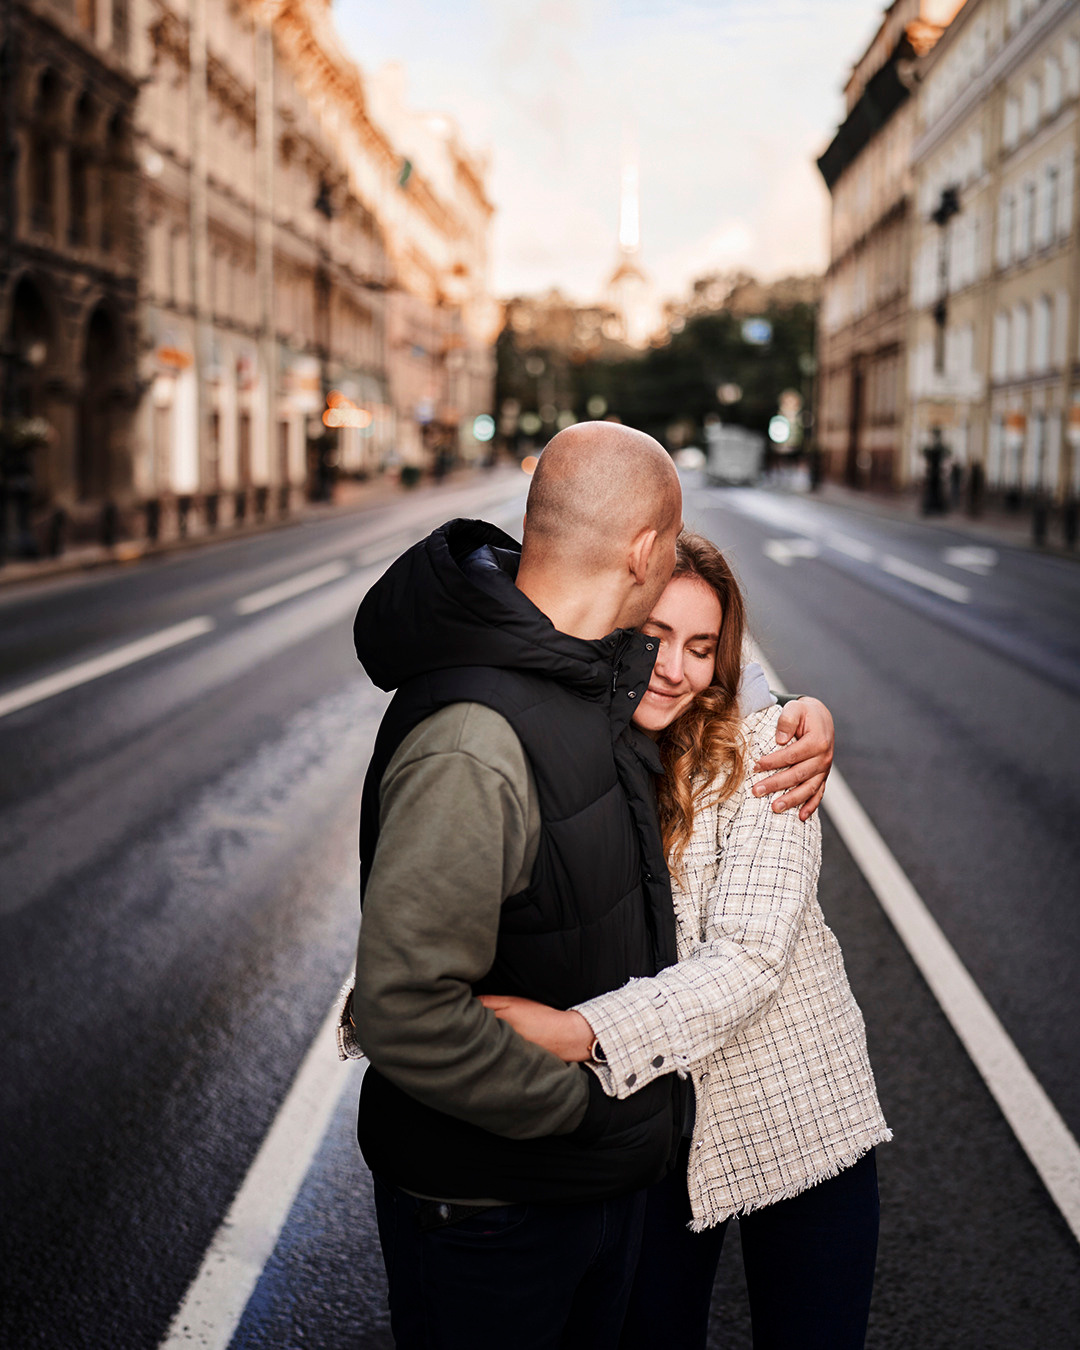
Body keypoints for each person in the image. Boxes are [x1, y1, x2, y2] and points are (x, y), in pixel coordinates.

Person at [346, 425, 837, 1350]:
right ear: (643, 554)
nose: (669, 659)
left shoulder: (582, 676)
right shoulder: (478, 737)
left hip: (588, 1189)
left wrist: (795, 711)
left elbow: (700, 670)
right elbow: (408, 1004)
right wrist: (590, 1111)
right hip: (501, 1202)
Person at [481, 530, 889, 1350]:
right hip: (653, 1133)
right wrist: (400, 1010)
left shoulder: (768, 752)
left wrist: (576, 1032)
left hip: (799, 1116)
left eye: (703, 648)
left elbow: (749, 962)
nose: (677, 669)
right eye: (657, 637)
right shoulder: (568, 754)